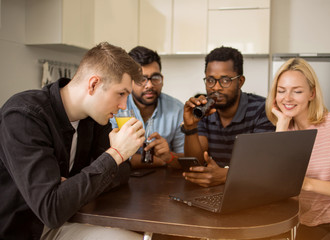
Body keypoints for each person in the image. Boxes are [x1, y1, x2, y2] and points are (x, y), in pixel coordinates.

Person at [0, 42, 146, 240]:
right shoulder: (24, 116)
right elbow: (52, 208)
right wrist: (115, 154)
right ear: (93, 84)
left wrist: (73, 187)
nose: (122, 106)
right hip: (21, 230)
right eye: (121, 94)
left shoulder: (95, 118)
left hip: (63, 221)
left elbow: (122, 172)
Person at [265, 57, 330, 240]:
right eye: (281, 91)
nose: (287, 98)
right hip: (308, 224)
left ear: (312, 94)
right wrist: (282, 126)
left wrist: (308, 183)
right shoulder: (283, 132)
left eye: (297, 91)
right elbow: (277, 190)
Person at [182, 46, 275, 187]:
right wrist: (190, 126)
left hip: (251, 192)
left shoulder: (262, 109)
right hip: (212, 193)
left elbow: (264, 167)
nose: (216, 88)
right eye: (210, 80)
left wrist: (226, 176)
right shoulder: (204, 110)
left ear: (241, 81)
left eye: (225, 80)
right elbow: (197, 162)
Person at [110, 46, 184, 168]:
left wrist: (168, 155)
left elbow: (184, 159)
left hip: (164, 182)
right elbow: (109, 156)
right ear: (129, 81)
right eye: (141, 79)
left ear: (162, 79)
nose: (149, 85)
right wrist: (158, 161)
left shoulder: (177, 110)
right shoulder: (116, 107)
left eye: (155, 78)